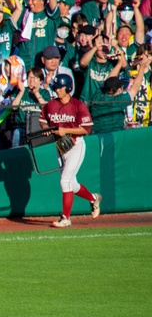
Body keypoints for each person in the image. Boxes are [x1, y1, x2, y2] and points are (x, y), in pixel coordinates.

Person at [40, 74, 100, 228]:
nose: (57, 90)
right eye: (56, 87)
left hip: (75, 145)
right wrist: (47, 129)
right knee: (71, 184)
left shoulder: (78, 105)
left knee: (65, 181)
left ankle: (65, 218)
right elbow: (42, 120)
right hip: (60, 146)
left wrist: (64, 130)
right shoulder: (51, 104)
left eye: (60, 87)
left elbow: (86, 129)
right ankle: (93, 198)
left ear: (68, 88)